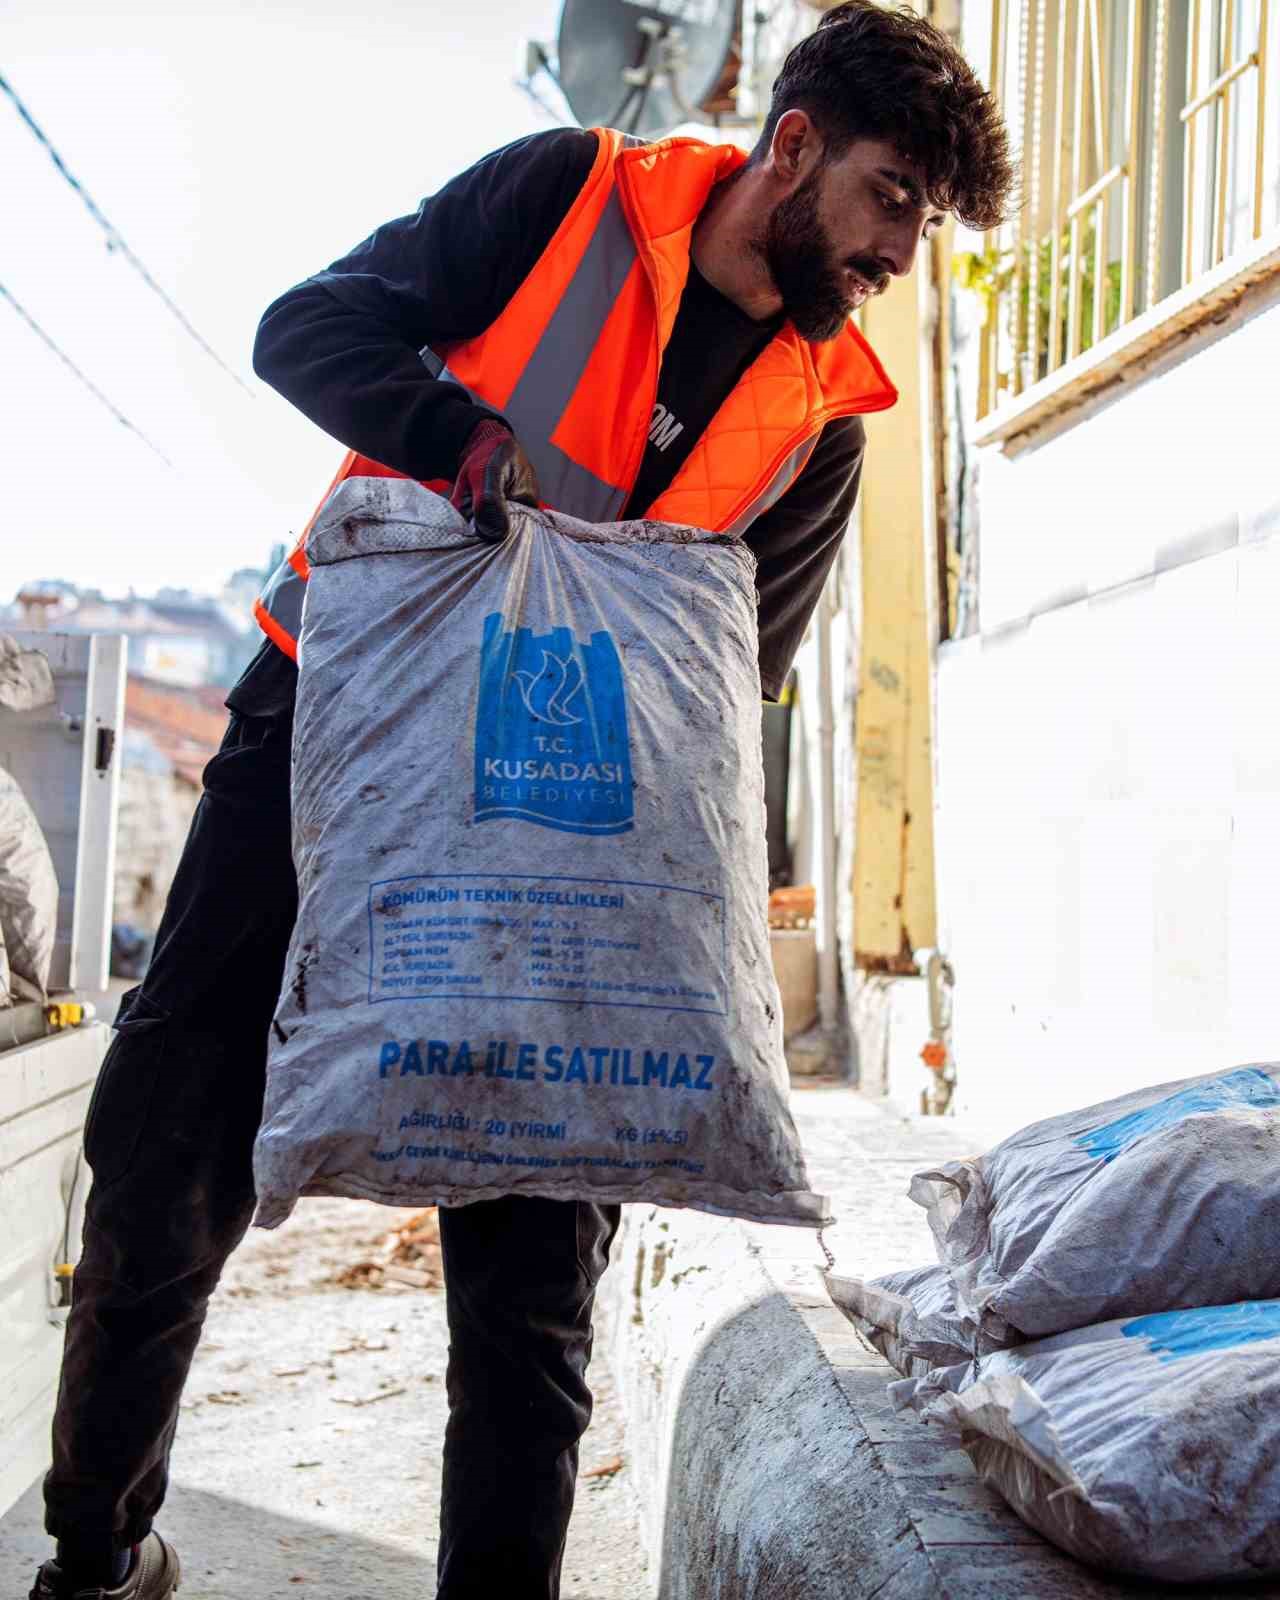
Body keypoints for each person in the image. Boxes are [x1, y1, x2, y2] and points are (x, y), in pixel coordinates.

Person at [30, 5, 1011, 1597]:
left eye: (930, 220)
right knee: (166, 1150)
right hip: (330, 731)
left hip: (564, 815)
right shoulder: (564, 198)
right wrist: (459, 444)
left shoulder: (825, 419)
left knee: (535, 1264)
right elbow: (304, 331)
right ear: (798, 144)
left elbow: (720, 682)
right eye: (897, 196)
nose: (907, 247)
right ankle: (95, 1557)